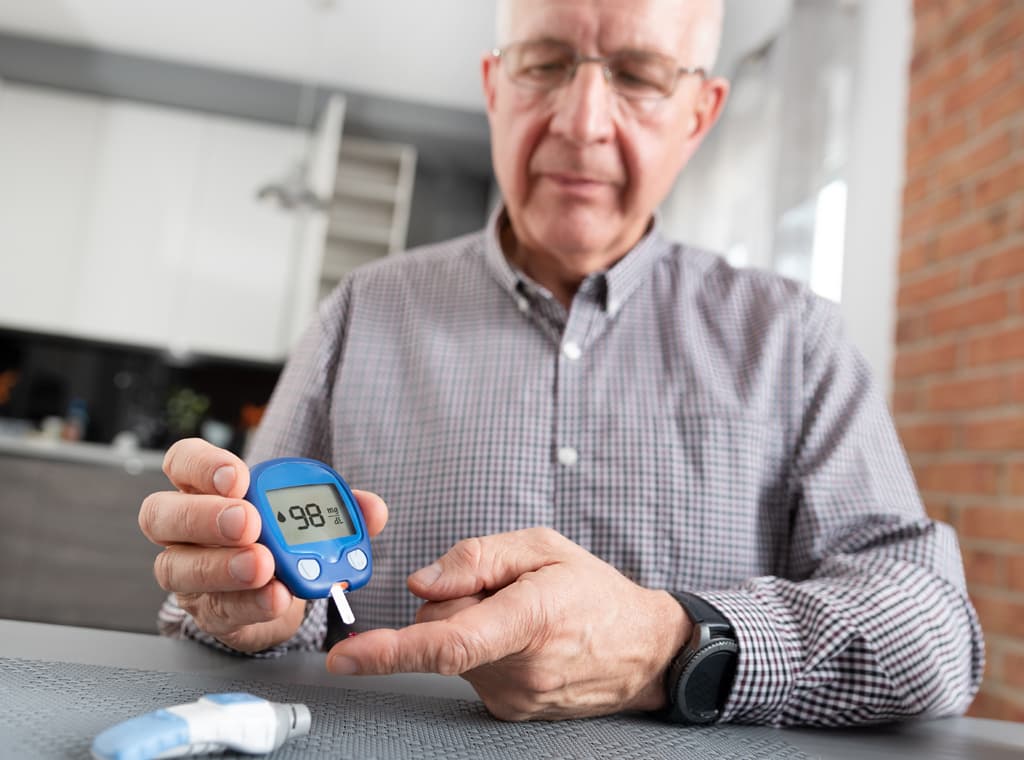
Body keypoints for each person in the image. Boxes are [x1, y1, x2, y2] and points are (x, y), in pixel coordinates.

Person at [139, 0, 983, 726]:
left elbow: (937, 634)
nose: (582, 122)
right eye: (544, 64)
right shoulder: (361, 312)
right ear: (493, 86)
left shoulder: (796, 340)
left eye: (640, 74)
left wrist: (672, 645)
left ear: (700, 112)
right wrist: (236, 608)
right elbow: (239, 606)